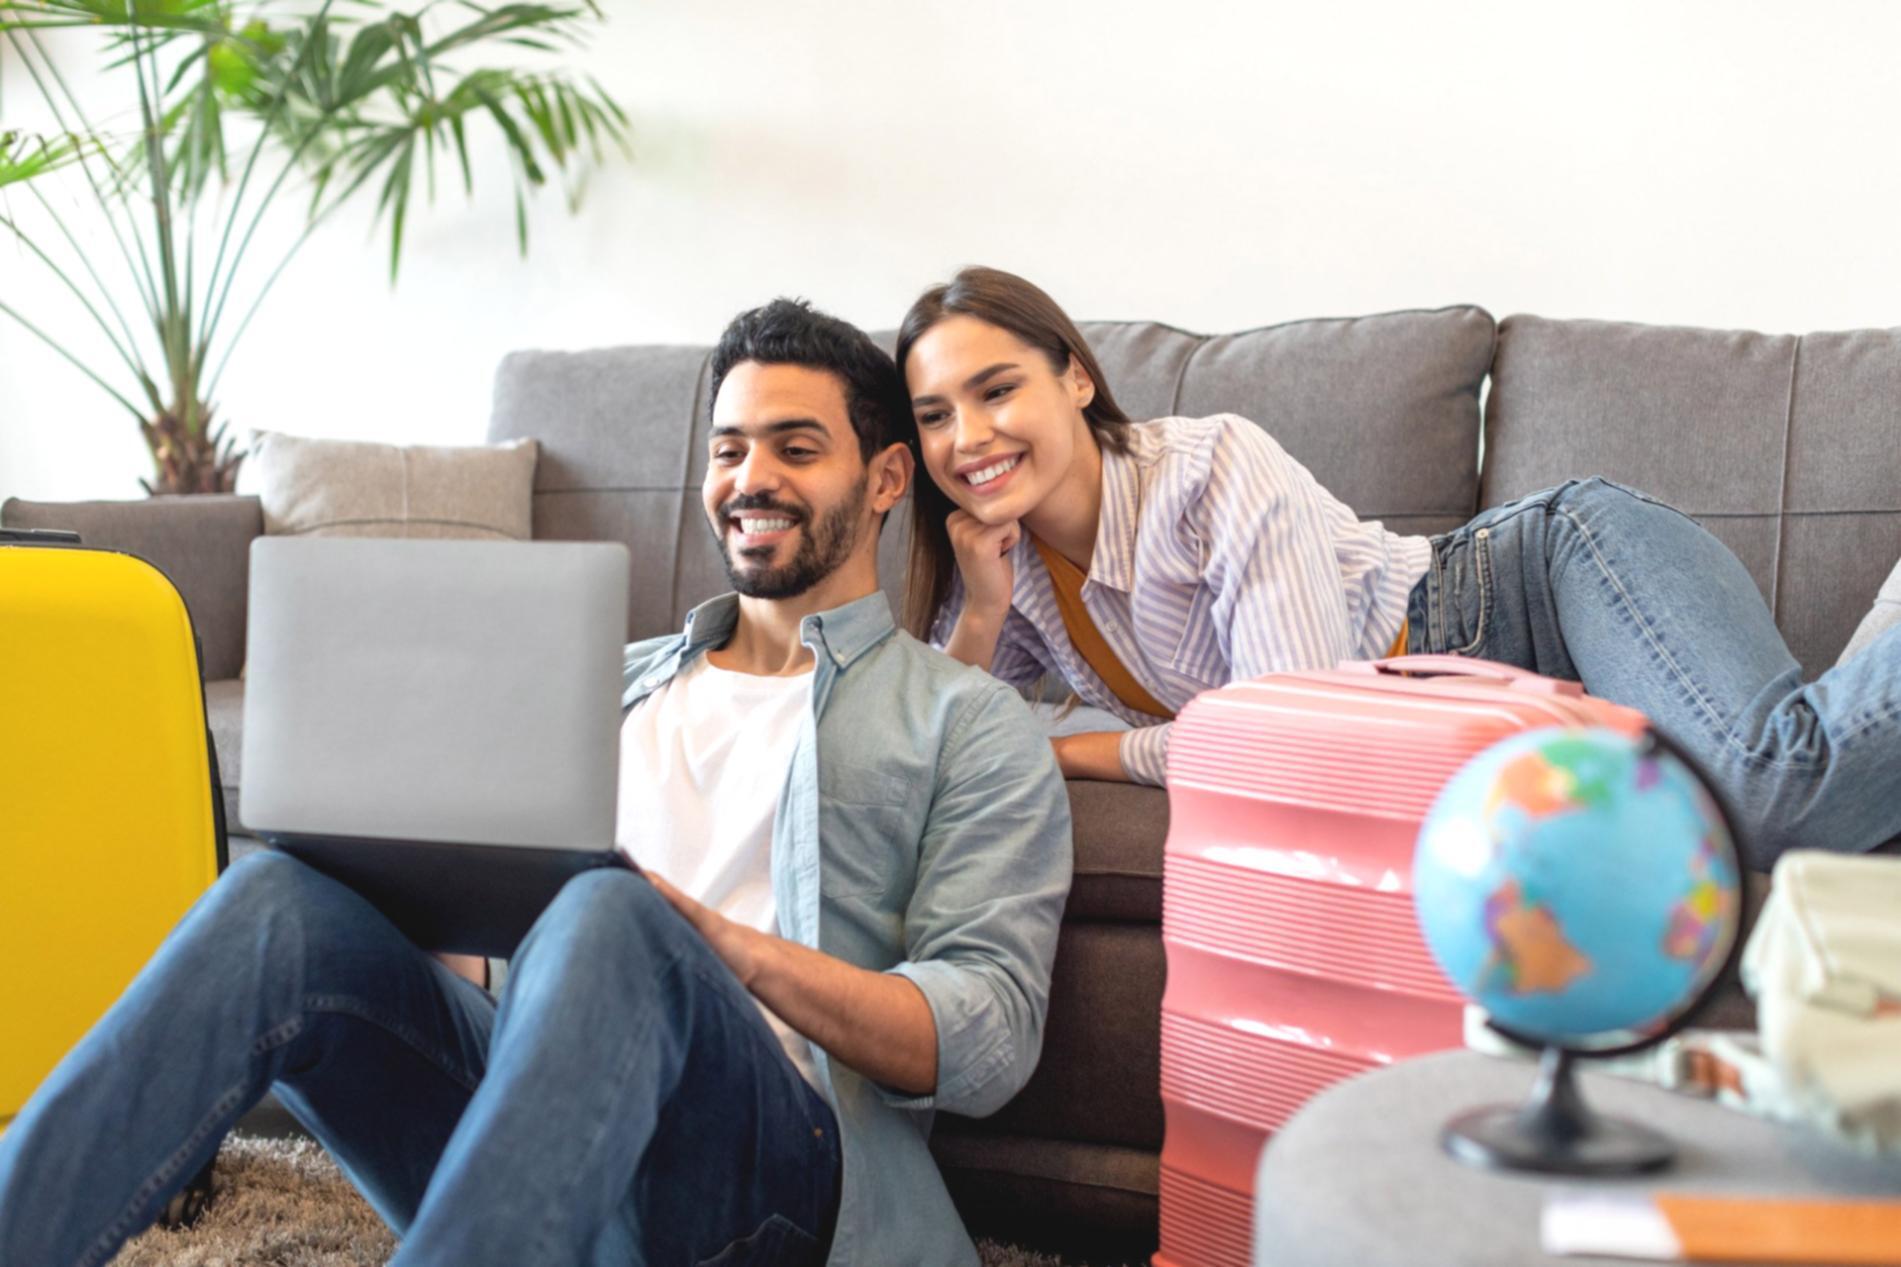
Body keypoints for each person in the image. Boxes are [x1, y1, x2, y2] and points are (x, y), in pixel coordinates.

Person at [0, 299, 1073, 1267]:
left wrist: (723, 947)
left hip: (762, 1179)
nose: (752, 479)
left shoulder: (964, 720)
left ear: (885, 478)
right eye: (729, 449)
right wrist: (403, 885)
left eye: (796, 448)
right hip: (540, 1136)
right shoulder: (599, 677)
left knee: (610, 909)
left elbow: (988, 1035)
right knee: (275, 899)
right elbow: (498, 959)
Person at [896, 265, 1901, 868]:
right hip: (1486, 714)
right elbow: (933, 757)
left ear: (1075, 377)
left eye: (996, 390)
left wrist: (1080, 752)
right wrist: (978, 613)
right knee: (1757, 818)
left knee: (1767, 792)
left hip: (1548, 581)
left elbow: (1283, 737)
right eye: (934, 414)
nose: (968, 436)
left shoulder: (1210, 470)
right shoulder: (1006, 567)